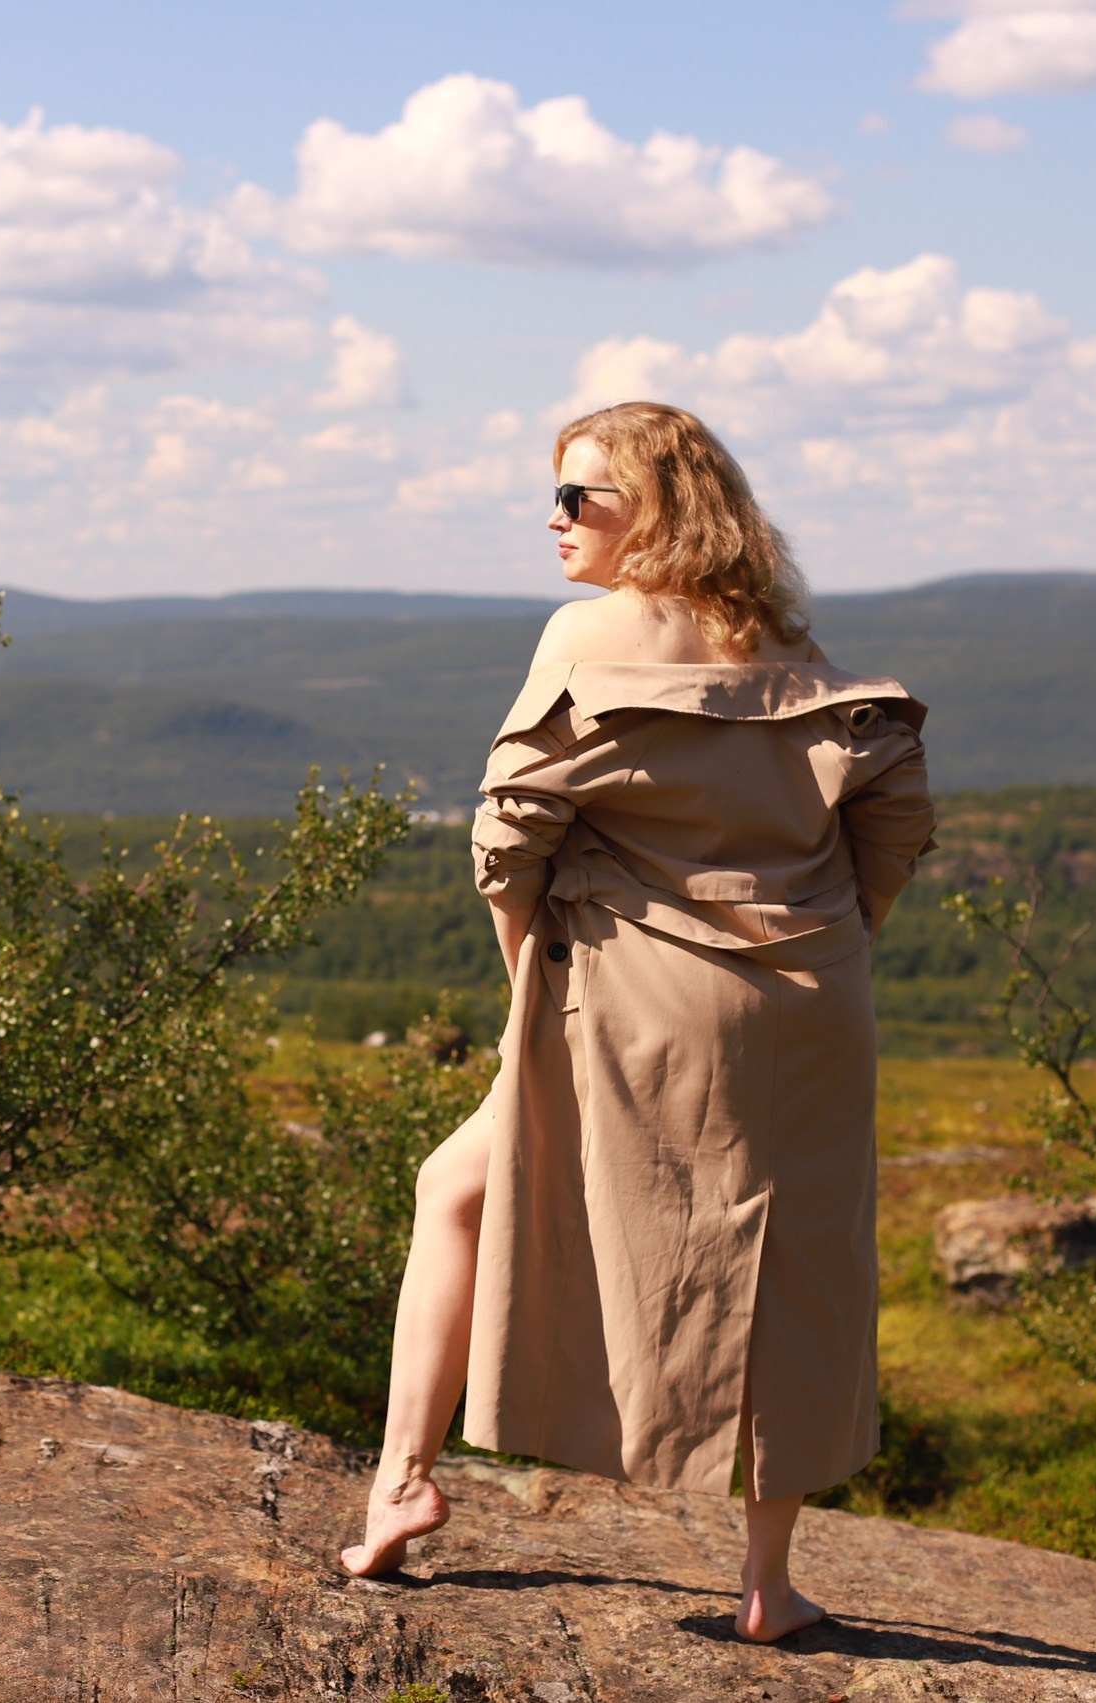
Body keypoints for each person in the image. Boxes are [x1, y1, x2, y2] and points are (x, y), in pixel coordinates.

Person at [340, 402, 937, 1644]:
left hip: (630, 996)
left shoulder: (587, 632)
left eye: (580, 497)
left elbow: (506, 838)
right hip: (811, 996)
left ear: (657, 507)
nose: (554, 522)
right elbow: (892, 818)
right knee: (790, 1256)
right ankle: (767, 1583)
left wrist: (531, 1001)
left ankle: (403, 1482)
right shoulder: (787, 640)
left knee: (452, 1191)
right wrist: (828, 937)